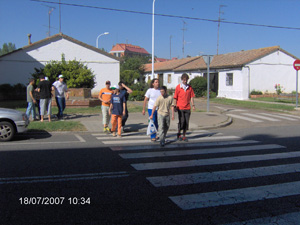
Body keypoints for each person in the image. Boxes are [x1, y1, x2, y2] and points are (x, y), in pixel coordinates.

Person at [173, 73, 195, 142]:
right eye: (184, 80)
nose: (185, 81)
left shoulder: (189, 87)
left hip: (187, 107)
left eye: (186, 80)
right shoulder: (178, 87)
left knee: (186, 122)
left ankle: (184, 135)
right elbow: (175, 97)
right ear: (182, 80)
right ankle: (179, 134)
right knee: (181, 121)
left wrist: (193, 105)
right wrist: (175, 106)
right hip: (180, 107)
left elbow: (191, 97)